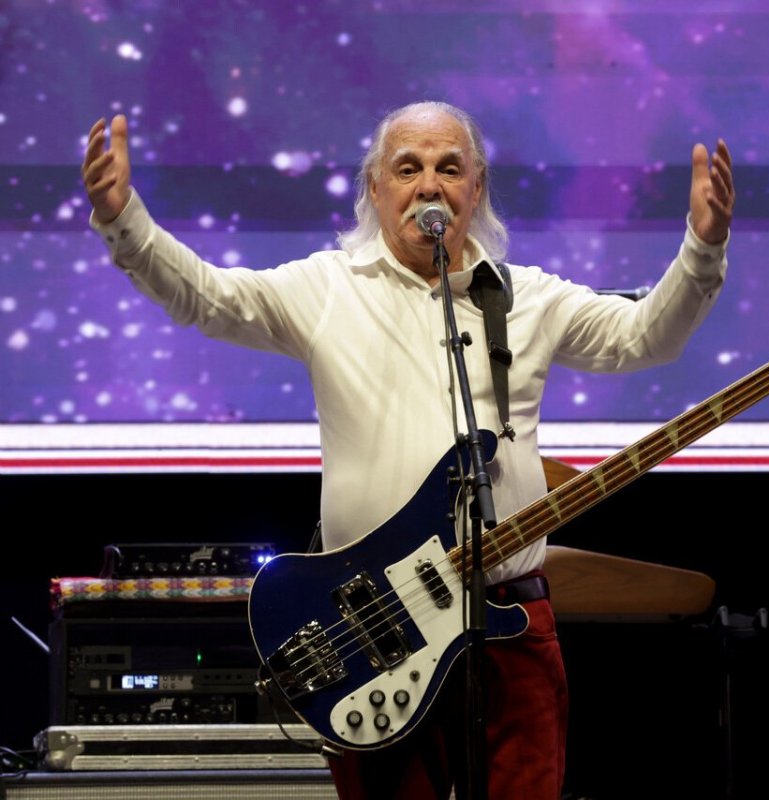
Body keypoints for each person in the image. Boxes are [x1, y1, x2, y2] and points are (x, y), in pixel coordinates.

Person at [81, 101, 734, 799]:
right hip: (378, 632)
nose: (429, 186)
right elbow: (207, 297)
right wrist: (125, 222)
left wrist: (702, 248)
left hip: (510, 624)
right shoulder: (328, 289)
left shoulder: (528, 299)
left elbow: (644, 338)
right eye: (408, 168)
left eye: (449, 168)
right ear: (375, 187)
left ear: (476, 188)